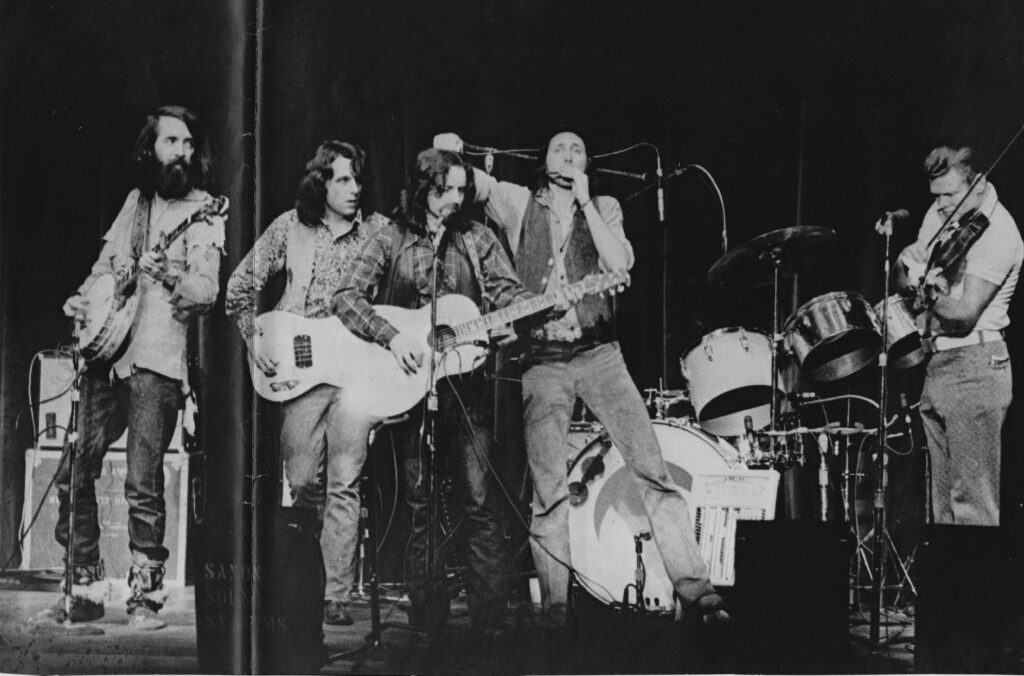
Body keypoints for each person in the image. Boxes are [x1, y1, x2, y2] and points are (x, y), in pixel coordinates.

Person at [433, 127, 728, 623]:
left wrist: (588, 203)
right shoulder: (518, 201)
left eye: (577, 151)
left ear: (588, 164)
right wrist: (449, 150)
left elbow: (622, 264)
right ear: (543, 160)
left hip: (600, 356)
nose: (568, 155)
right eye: (558, 148)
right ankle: (555, 611)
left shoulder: (606, 207)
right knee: (548, 492)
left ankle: (698, 593)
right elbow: (472, 183)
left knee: (652, 471)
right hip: (542, 362)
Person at [334, 148, 546, 636]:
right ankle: (428, 622)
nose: (456, 198)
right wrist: (392, 336)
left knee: (478, 501)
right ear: (423, 189)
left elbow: (507, 294)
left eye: (460, 190)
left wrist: (532, 307)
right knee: (419, 505)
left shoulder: (477, 238)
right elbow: (345, 297)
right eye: (445, 189)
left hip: (468, 390)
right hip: (410, 395)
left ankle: (488, 622)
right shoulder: (390, 236)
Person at [39, 105, 226, 630]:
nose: (182, 153)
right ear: (152, 148)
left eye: (189, 144)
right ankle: (85, 586)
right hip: (106, 356)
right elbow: (104, 269)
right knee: (75, 468)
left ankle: (144, 599)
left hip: (157, 362)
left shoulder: (206, 212)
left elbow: (207, 290)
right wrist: (82, 300)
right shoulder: (136, 202)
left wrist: (172, 275)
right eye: (172, 142)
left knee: (143, 484)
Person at [225, 141, 386, 626]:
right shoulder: (289, 228)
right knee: (300, 479)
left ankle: (336, 593)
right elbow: (239, 288)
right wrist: (255, 340)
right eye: (341, 179)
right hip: (302, 368)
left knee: (345, 480)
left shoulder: (379, 231)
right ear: (321, 183)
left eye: (357, 179)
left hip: (355, 371)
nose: (354, 189)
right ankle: (315, 565)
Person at [889, 145, 1021, 526]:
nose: (942, 204)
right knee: (943, 509)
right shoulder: (941, 212)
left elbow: (963, 316)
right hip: (938, 364)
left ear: (978, 184)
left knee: (973, 507)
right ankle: (949, 586)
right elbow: (907, 266)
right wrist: (905, 267)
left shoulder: (998, 234)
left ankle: (974, 587)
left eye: (950, 194)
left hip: (975, 364)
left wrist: (921, 289)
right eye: (936, 195)